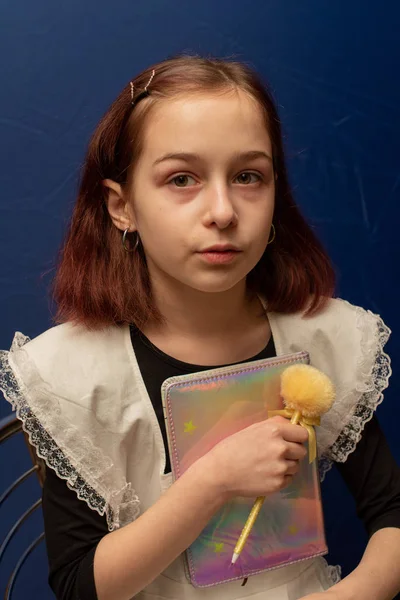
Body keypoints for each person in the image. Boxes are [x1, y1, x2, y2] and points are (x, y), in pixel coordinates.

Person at [1, 56, 399, 600]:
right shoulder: (74, 375)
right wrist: (213, 481)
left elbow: (391, 513)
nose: (222, 210)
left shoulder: (325, 337)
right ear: (122, 207)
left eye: (248, 177)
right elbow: (77, 586)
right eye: (181, 179)